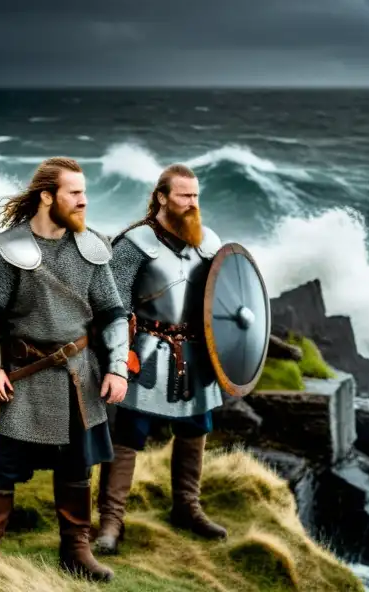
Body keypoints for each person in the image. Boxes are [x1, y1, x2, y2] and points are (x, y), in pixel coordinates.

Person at [0, 157, 130, 583]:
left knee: (77, 467)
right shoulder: (9, 249)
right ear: (47, 196)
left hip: (79, 377)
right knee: (1, 469)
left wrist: (117, 368)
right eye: (74, 193)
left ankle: (76, 550)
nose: (84, 201)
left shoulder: (92, 246)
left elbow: (114, 315)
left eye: (84, 192)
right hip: (20, 379)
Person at [93, 164, 227, 555]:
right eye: (184, 195)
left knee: (194, 430)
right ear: (162, 197)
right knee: (127, 437)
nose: (192, 203)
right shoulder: (135, 245)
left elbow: (224, 300)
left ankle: (187, 507)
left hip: (195, 354)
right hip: (146, 353)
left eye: (196, 196)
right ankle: (111, 522)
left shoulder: (209, 243)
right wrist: (115, 360)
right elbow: (111, 306)